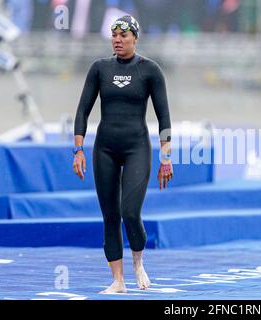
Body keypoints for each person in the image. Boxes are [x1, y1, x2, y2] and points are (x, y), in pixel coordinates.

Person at [72, 15, 173, 294]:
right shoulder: (99, 68)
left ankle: (138, 262)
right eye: (114, 36)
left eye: (123, 36)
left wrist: (166, 157)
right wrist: (78, 149)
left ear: (135, 39)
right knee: (110, 216)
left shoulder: (150, 70)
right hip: (104, 148)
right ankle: (118, 280)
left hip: (136, 148)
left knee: (130, 212)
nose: (117, 40)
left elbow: (164, 118)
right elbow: (82, 110)